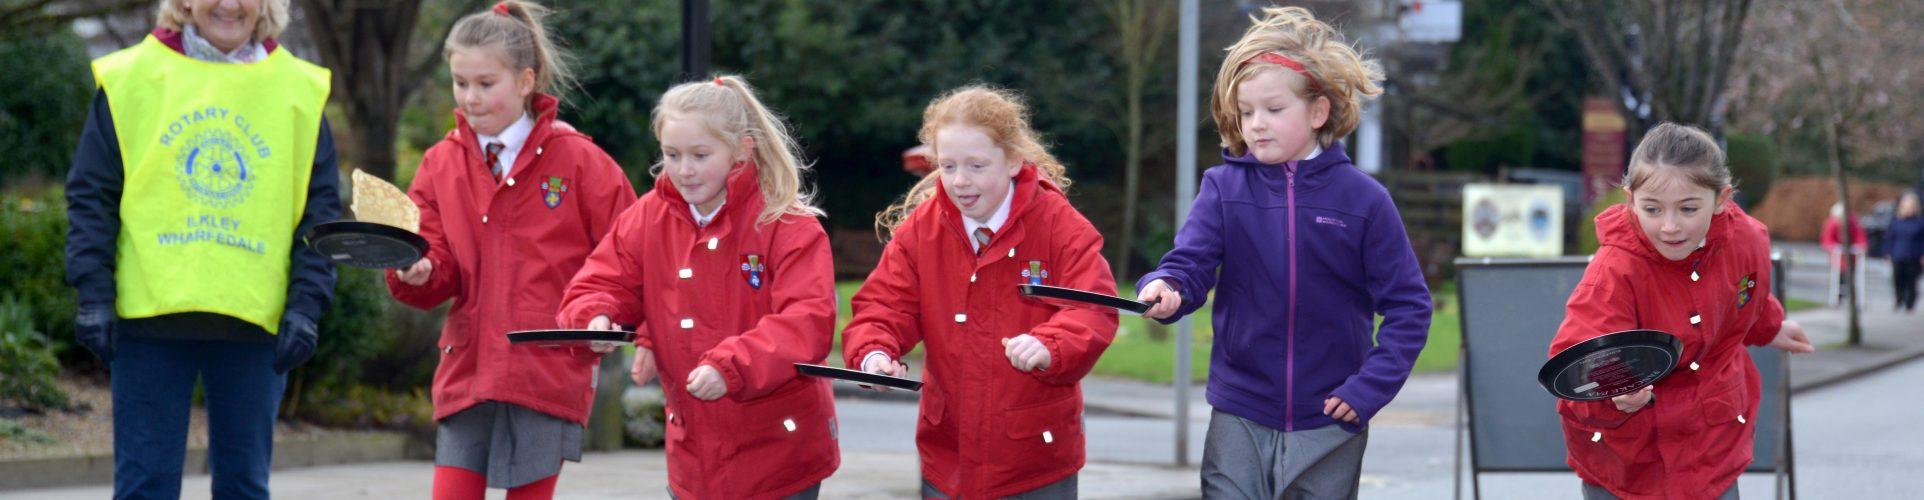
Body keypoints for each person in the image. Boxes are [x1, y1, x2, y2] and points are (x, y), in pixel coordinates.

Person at [1132, 6, 1431, 498]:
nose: (1255, 124)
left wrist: (1368, 389)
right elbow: (1189, 265)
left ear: (1318, 112)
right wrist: (1164, 288)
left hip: (1332, 415)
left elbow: (1409, 307)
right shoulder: (1222, 187)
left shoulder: (1365, 200)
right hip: (1239, 408)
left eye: (1273, 110)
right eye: (1246, 112)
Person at [64, 0, 338, 497]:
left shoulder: (301, 90)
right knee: (145, 486)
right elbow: (92, 194)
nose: (229, 4)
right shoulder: (131, 77)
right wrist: (93, 293)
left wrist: (306, 305)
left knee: (243, 488)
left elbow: (320, 214)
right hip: (148, 322)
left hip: (255, 324)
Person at [383, 2, 636, 498]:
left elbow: (630, 256)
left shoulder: (583, 162)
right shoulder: (439, 163)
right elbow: (434, 255)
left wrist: (616, 317)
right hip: (466, 370)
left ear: (525, 81)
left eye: (485, 83)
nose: (470, 98)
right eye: (460, 82)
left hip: (546, 370)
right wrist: (418, 269)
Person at [556, 75, 840, 499]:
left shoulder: (788, 224)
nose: (684, 170)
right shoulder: (647, 218)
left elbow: (808, 321)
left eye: (700, 155)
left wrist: (732, 366)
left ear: (742, 150)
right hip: (693, 458)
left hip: (780, 456)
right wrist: (596, 317)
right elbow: (600, 282)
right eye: (672, 154)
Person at [843, 85, 1118, 499]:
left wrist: (1050, 345)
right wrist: (875, 354)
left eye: (975, 166)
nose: (959, 181)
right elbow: (884, 306)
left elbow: (1093, 310)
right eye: (948, 166)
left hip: (1036, 460)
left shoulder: (1060, 225)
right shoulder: (922, 229)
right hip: (946, 456)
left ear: (1011, 161)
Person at [1552, 123, 1815, 500]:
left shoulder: (1747, 240)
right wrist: (1613, 395)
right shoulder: (1612, 273)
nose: (1670, 226)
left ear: (1721, 199)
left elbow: (1744, 290)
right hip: (1629, 466)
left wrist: (1769, 325)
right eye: (1652, 209)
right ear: (1630, 199)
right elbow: (1577, 367)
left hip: (1711, 449)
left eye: (1688, 208)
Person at [1885, 191, 1924, 312]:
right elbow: (1890, 237)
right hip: (1898, 254)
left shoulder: (1920, 222)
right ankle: (1899, 299)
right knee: (1897, 279)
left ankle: (1909, 303)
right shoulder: (1896, 221)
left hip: (1914, 255)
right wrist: (1888, 252)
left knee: (1911, 281)